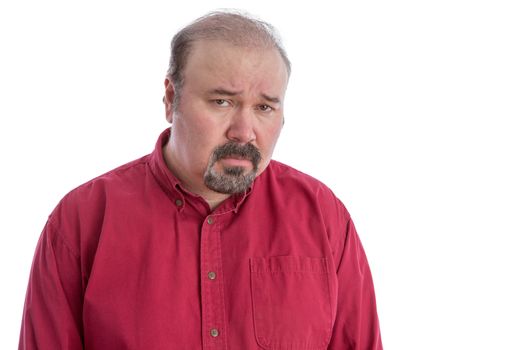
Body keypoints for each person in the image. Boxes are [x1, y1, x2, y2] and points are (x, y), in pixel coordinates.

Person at [19, 10, 382, 350]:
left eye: (264, 107)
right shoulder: (81, 221)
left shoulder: (323, 217)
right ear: (171, 99)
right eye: (222, 101)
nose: (244, 132)